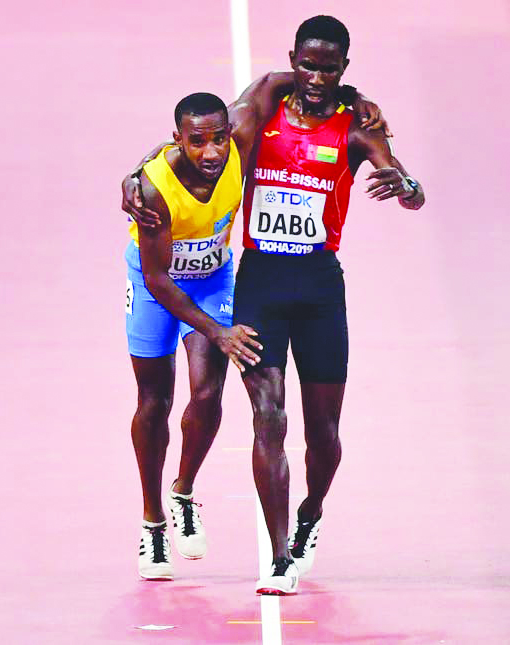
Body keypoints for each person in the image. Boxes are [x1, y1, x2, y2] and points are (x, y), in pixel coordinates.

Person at [124, 15, 425, 594]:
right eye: (306, 66)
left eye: (328, 68)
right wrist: (135, 176)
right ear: (293, 61)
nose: (315, 78)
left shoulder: (357, 129)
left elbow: (404, 182)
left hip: (318, 287)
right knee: (267, 414)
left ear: (343, 68)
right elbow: (184, 142)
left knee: (324, 433)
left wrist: (406, 188)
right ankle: (279, 556)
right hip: (258, 279)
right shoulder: (262, 109)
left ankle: (310, 514)